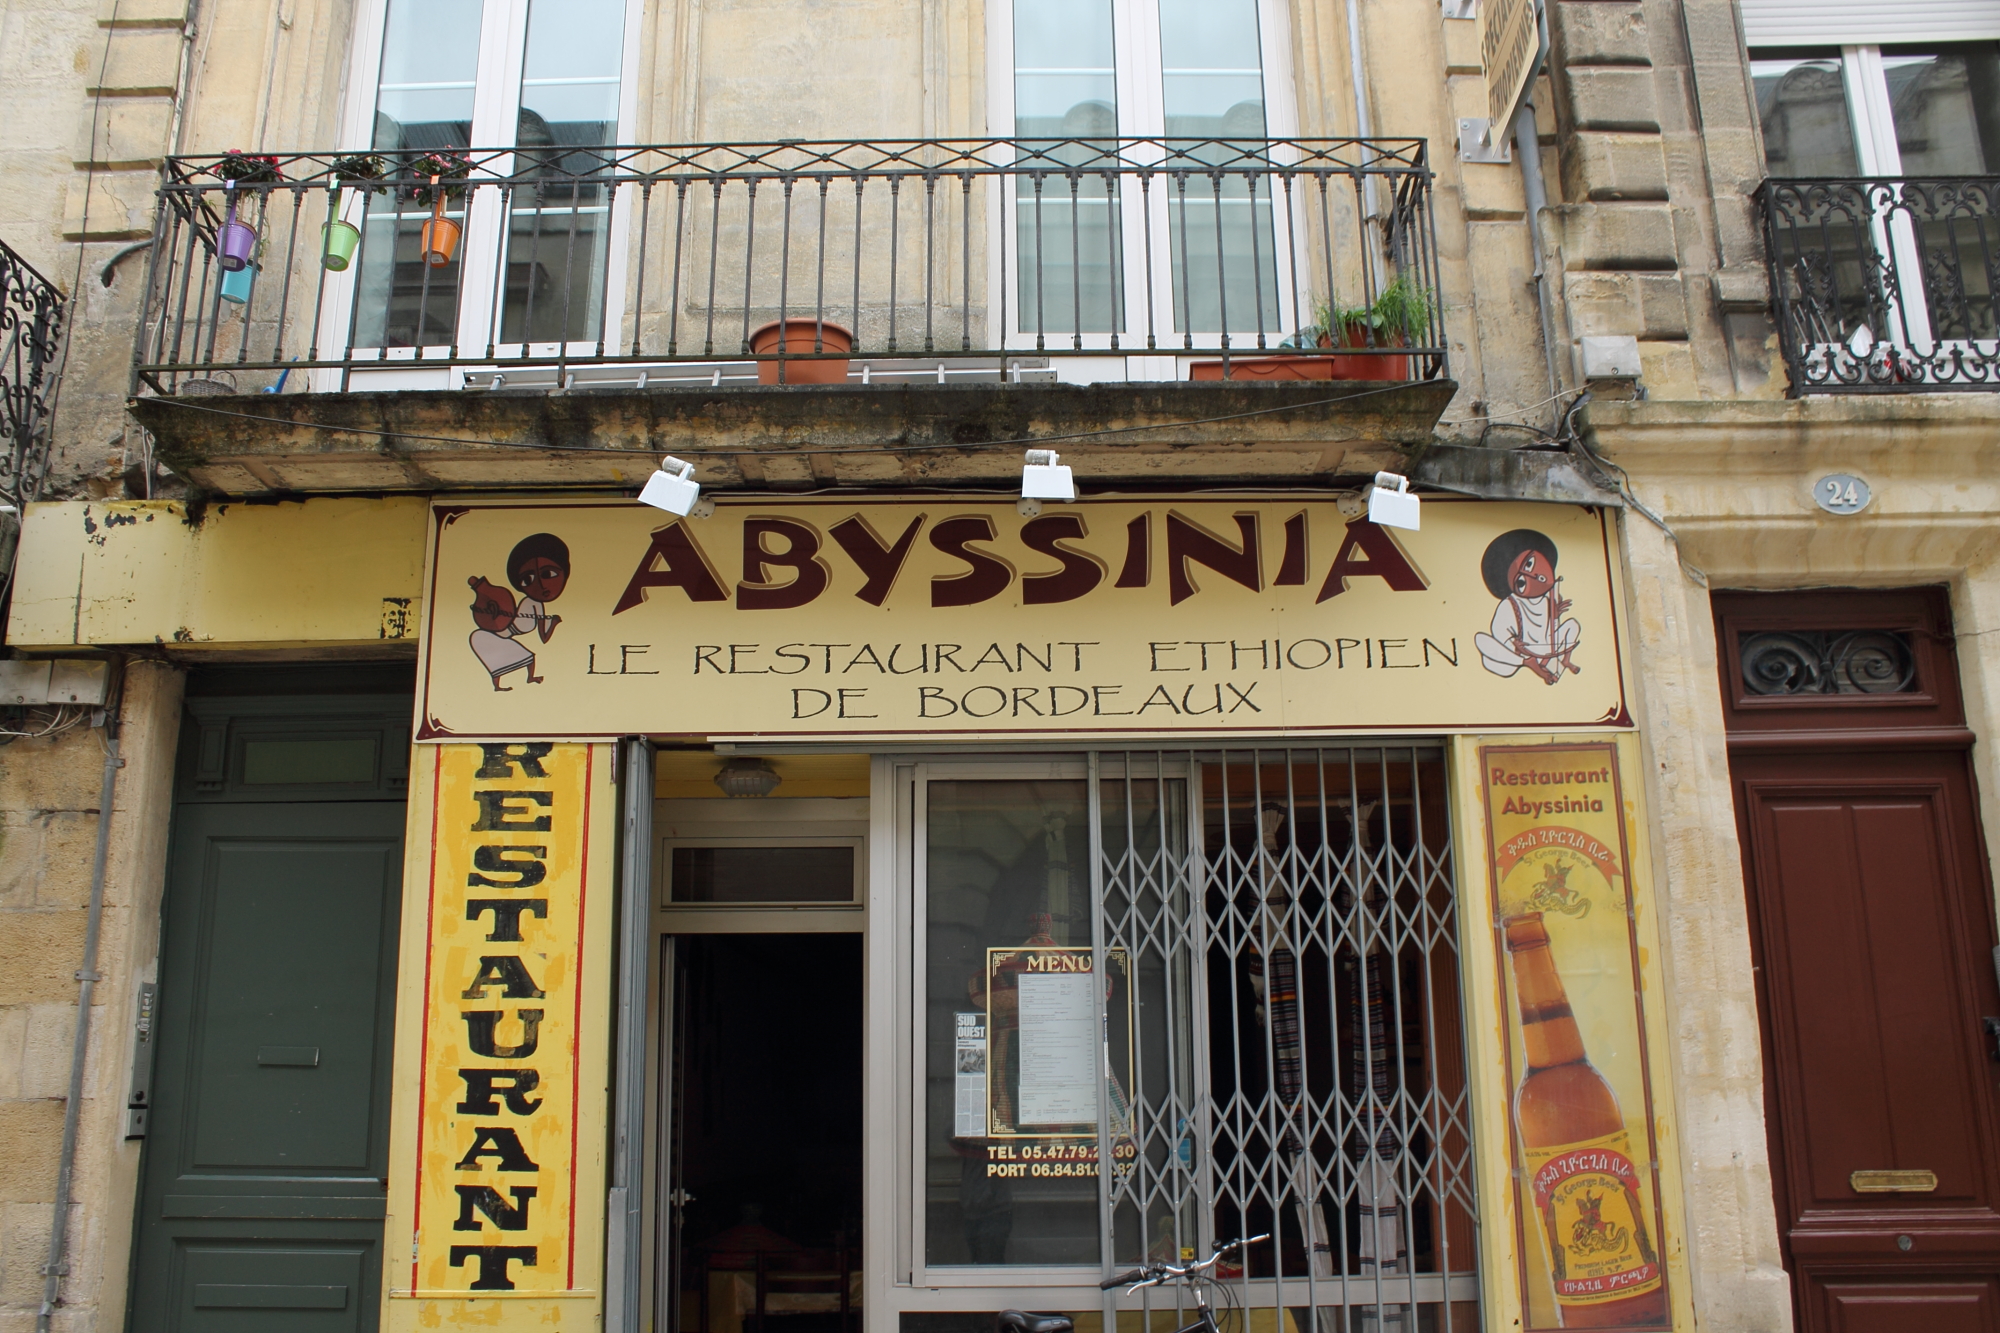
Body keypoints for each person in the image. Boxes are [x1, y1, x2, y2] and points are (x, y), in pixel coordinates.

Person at [1475, 529, 1580, 685]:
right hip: (1523, 652)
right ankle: (1529, 663)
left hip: (1546, 647)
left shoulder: (1548, 600)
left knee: (1573, 624)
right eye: (1521, 581)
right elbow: (1501, 635)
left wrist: (1554, 617)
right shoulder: (1510, 604)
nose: (1535, 576)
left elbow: (1548, 632)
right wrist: (1514, 643)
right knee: (1481, 640)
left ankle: (1565, 660)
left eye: (1529, 564)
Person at [468, 533, 570, 692]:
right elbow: (544, 637)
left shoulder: (532, 604)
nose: (540, 585)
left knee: (524, 657)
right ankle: (500, 685)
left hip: (501, 634)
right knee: (520, 657)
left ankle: (527, 678)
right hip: (495, 635)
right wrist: (554, 623)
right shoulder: (532, 603)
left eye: (548, 574)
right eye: (528, 579)